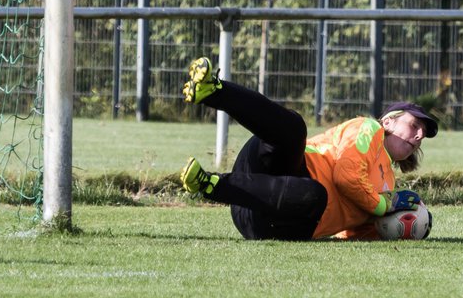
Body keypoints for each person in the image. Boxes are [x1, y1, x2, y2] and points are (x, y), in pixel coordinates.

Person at [178, 56, 439, 241]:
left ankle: (210, 185)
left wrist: (410, 222)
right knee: (294, 130)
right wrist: (386, 205)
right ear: (388, 120)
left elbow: (357, 233)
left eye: (423, 135)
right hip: (273, 171)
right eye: (415, 125)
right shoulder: (369, 129)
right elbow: (346, 177)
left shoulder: (388, 188)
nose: (418, 136)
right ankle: (213, 91)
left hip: (275, 223)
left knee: (314, 195)